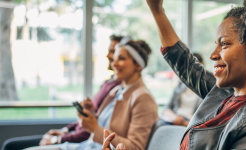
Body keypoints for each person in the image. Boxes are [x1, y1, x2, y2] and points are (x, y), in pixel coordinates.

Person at [103, 0, 246, 149]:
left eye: (224, 44)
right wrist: (157, 11)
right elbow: (186, 64)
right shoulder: (228, 93)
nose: (213, 54)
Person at [25, 39, 158, 150]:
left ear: (138, 65)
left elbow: (135, 148)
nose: (114, 63)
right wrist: (92, 113)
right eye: (115, 58)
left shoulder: (143, 98)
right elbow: (106, 125)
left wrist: (95, 128)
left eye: (121, 58)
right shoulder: (116, 91)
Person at [1, 35, 123, 150]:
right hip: (74, 135)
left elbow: (91, 129)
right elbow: (91, 120)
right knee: (10, 145)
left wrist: (58, 139)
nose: (109, 56)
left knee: (11, 146)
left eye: (116, 54)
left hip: (80, 140)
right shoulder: (108, 84)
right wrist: (65, 129)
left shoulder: (119, 91)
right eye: (111, 52)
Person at [159, 53, 205, 127]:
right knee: (159, 125)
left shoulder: (206, 89)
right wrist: (175, 118)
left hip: (190, 123)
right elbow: (166, 108)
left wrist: (185, 124)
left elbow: (205, 118)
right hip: (176, 118)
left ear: (202, 65)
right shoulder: (181, 85)